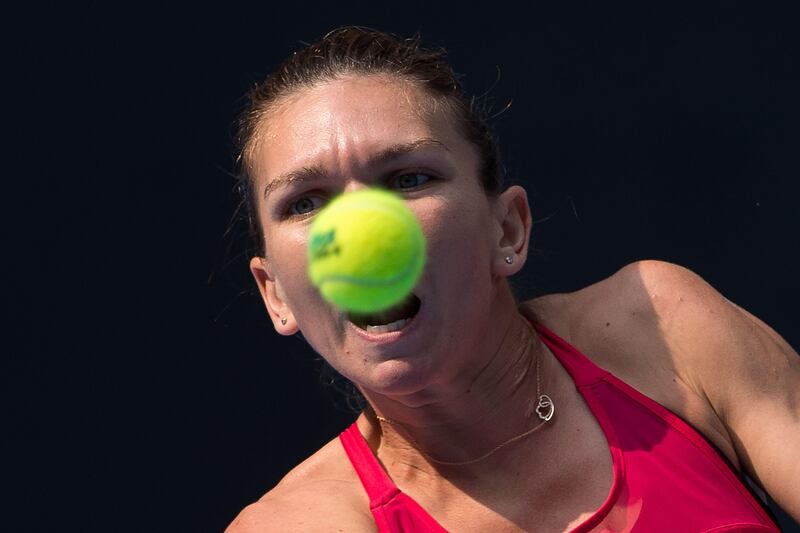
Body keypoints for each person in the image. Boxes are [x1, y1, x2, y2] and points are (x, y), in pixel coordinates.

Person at [226, 27, 799, 532]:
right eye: (305, 203)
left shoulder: (663, 330)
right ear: (276, 292)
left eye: (407, 179)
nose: (357, 234)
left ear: (508, 230)